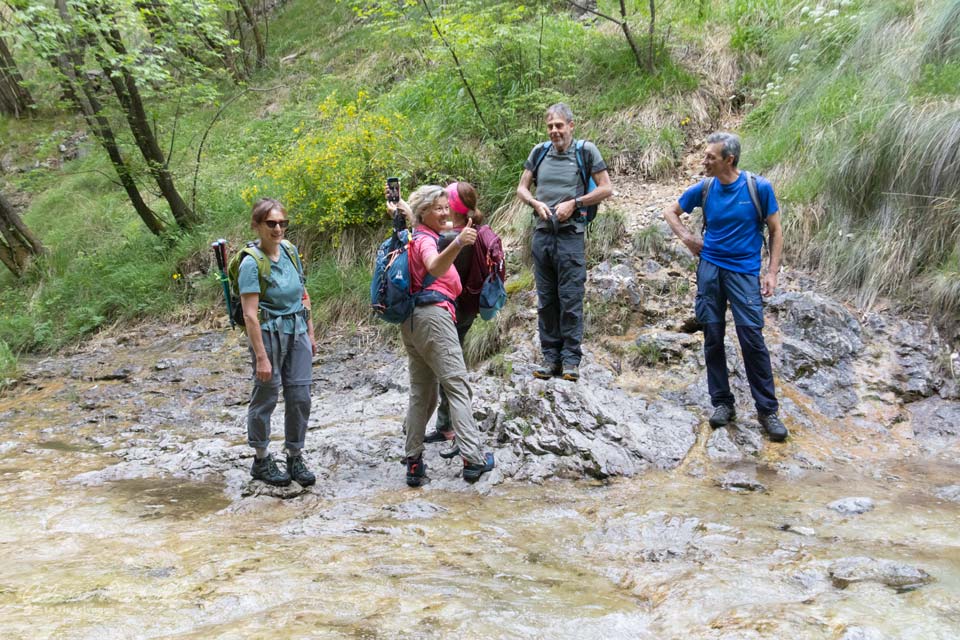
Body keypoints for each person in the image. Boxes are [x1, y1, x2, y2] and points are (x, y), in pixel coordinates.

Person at [662, 132, 788, 442]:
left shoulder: (758, 187)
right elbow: (670, 212)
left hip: (744, 274)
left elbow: (775, 231)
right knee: (713, 336)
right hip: (710, 271)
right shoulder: (705, 188)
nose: (704, 161)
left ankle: (767, 411)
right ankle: (721, 403)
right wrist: (687, 238)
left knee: (752, 340)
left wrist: (771, 272)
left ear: (728, 160)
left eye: (710, 157)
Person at [387, 185, 496, 486]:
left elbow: (428, 225)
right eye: (438, 207)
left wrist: (400, 208)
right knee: (457, 386)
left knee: (422, 392)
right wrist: (459, 243)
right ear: (424, 213)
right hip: (434, 317)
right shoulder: (426, 242)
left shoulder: (414, 235)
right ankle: (473, 460)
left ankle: (413, 462)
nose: (446, 211)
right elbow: (434, 264)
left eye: (447, 206)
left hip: (412, 321)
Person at [515, 102, 612, 382]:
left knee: (570, 298)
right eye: (550, 126)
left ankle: (571, 360)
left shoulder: (585, 151)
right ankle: (550, 358)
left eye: (559, 125)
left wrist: (575, 203)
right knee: (546, 300)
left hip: (570, 234)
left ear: (571, 125)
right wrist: (534, 202)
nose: (554, 131)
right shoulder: (539, 152)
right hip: (542, 233)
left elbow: (607, 188)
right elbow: (521, 187)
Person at [239, 198, 318, 486]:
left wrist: (310, 332)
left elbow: (303, 293)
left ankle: (294, 456)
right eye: (271, 224)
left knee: (300, 397)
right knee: (266, 396)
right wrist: (261, 357)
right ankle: (261, 459)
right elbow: (249, 315)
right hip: (269, 335)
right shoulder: (251, 264)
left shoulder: (290, 251)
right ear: (257, 225)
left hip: (297, 331)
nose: (278, 229)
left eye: (282, 223)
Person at [423, 181, 503, 452]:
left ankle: (454, 430)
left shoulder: (450, 241)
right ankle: (446, 425)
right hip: (468, 308)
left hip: (449, 311)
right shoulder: (473, 231)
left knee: (450, 371)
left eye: (447, 202)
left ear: (454, 207)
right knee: (453, 366)